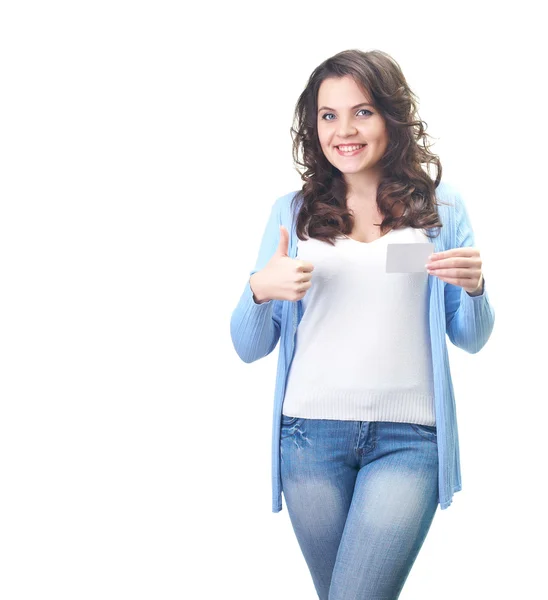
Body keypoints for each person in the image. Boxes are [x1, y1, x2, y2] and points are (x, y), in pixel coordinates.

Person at [230, 48, 495, 600]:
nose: (344, 130)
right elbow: (248, 346)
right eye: (329, 115)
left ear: (392, 118)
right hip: (308, 438)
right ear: (313, 126)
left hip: (410, 441)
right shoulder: (292, 212)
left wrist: (475, 289)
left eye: (363, 111)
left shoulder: (439, 210)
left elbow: (470, 336)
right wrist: (258, 289)